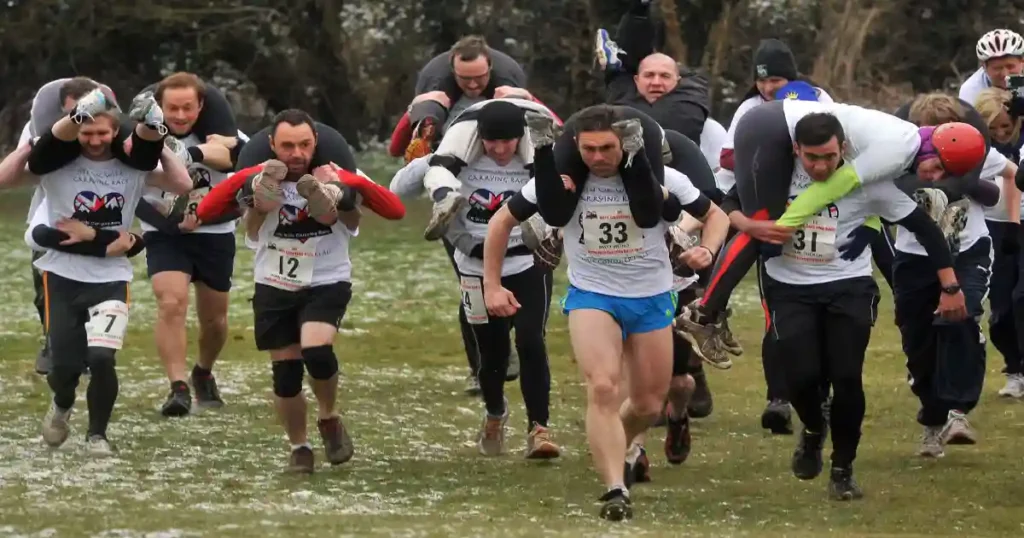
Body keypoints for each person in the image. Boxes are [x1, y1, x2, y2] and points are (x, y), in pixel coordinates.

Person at [484, 103, 726, 521]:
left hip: (652, 297)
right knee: (602, 388)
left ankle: (619, 441)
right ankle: (615, 488)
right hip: (593, 295)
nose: (597, 158)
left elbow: (716, 216)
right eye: (589, 149)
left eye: (607, 148)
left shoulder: (663, 179)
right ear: (576, 146)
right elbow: (500, 222)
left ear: (626, 145)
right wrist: (491, 283)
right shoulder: (564, 183)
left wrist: (708, 248)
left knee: (650, 404)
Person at [674, 100, 986, 367]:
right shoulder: (900, 148)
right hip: (768, 126)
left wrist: (869, 225)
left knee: (763, 228)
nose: (934, 177)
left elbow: (875, 196)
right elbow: (840, 183)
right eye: (937, 166)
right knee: (764, 228)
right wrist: (786, 223)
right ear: (933, 147)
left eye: (944, 175)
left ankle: (709, 310)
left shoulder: (910, 146)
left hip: (776, 123)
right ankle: (703, 315)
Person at [764, 112, 966, 500]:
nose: (821, 166)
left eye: (830, 156)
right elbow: (734, 203)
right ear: (796, 151)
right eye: (811, 158)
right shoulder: (775, 176)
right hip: (790, 288)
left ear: (843, 149)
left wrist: (950, 285)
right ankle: (811, 430)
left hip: (848, 287)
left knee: (846, 378)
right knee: (802, 378)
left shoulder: (869, 181)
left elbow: (926, 230)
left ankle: (843, 468)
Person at [16, 89, 192, 454]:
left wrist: (157, 139)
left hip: (111, 277)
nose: (95, 140)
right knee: (64, 368)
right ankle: (62, 404)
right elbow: (9, 178)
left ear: (116, 132)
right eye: (87, 133)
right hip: (61, 276)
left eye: (103, 133)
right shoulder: (55, 164)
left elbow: (182, 185)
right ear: (76, 131)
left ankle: (97, 435)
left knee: (101, 357)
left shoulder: (132, 167)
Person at [423, 100, 559, 457]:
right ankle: (495, 412)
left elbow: (559, 199)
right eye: (491, 142)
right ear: (478, 137)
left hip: (527, 264)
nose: (500, 150)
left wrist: (546, 230)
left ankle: (539, 429)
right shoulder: (459, 160)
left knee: (531, 341)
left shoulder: (535, 161)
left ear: (521, 138)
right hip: (476, 267)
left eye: (508, 142)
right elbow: (410, 183)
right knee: (493, 353)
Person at [231, 109, 363, 472]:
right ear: (272, 145)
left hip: (326, 277)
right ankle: (300, 447)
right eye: (287, 145)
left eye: (304, 144)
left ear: (315, 143)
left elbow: (354, 223)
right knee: (286, 377)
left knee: (318, 350)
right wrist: (260, 201)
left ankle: (328, 416)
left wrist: (335, 196)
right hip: (275, 280)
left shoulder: (335, 171)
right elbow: (252, 232)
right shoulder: (259, 177)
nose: (296, 153)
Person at [892, 94, 1019, 457]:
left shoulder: (974, 153)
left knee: (959, 319)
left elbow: (1010, 176)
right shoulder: (900, 159)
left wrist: (1006, 217)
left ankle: (958, 412)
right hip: (914, 256)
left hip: (968, 250)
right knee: (918, 340)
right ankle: (932, 415)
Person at [132, 72, 245, 416]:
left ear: (201, 107)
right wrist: (168, 224)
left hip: (214, 234)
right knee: (171, 303)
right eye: (172, 108)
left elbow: (238, 164)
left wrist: (205, 215)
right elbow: (127, 185)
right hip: (165, 234)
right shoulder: (143, 136)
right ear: (159, 107)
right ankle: (177, 387)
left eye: (187, 108)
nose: (180, 116)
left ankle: (203, 371)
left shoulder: (226, 136)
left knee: (215, 320)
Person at [389, 35, 553, 162]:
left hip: (506, 172)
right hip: (453, 168)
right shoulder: (437, 80)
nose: (473, 85)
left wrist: (526, 97)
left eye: (479, 77)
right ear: (453, 72)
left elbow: (554, 124)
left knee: (513, 104)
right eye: (465, 79)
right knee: (429, 108)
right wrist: (417, 107)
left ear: (490, 68)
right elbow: (395, 150)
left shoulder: (507, 77)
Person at [593, 0, 711, 145]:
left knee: (622, 75)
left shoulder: (690, 98)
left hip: (675, 165)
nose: (656, 83)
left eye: (665, 76)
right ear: (636, 80)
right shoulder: (622, 87)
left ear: (678, 80)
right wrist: (638, 12)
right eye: (649, 76)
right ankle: (625, 51)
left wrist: (615, 75)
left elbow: (655, 128)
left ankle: (622, 59)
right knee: (629, 65)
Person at [974, 88, 1024, 396]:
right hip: (993, 227)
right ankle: (1014, 367)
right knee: (1000, 308)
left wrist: (1014, 225)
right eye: (994, 129)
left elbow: (1014, 180)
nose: (1002, 133)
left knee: (1022, 298)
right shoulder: (977, 148)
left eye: (1007, 126)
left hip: (1018, 224)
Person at [959, 29, 1024, 106]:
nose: (1005, 74)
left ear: (1022, 63)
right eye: (997, 68)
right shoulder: (970, 90)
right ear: (984, 67)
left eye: (1010, 66)